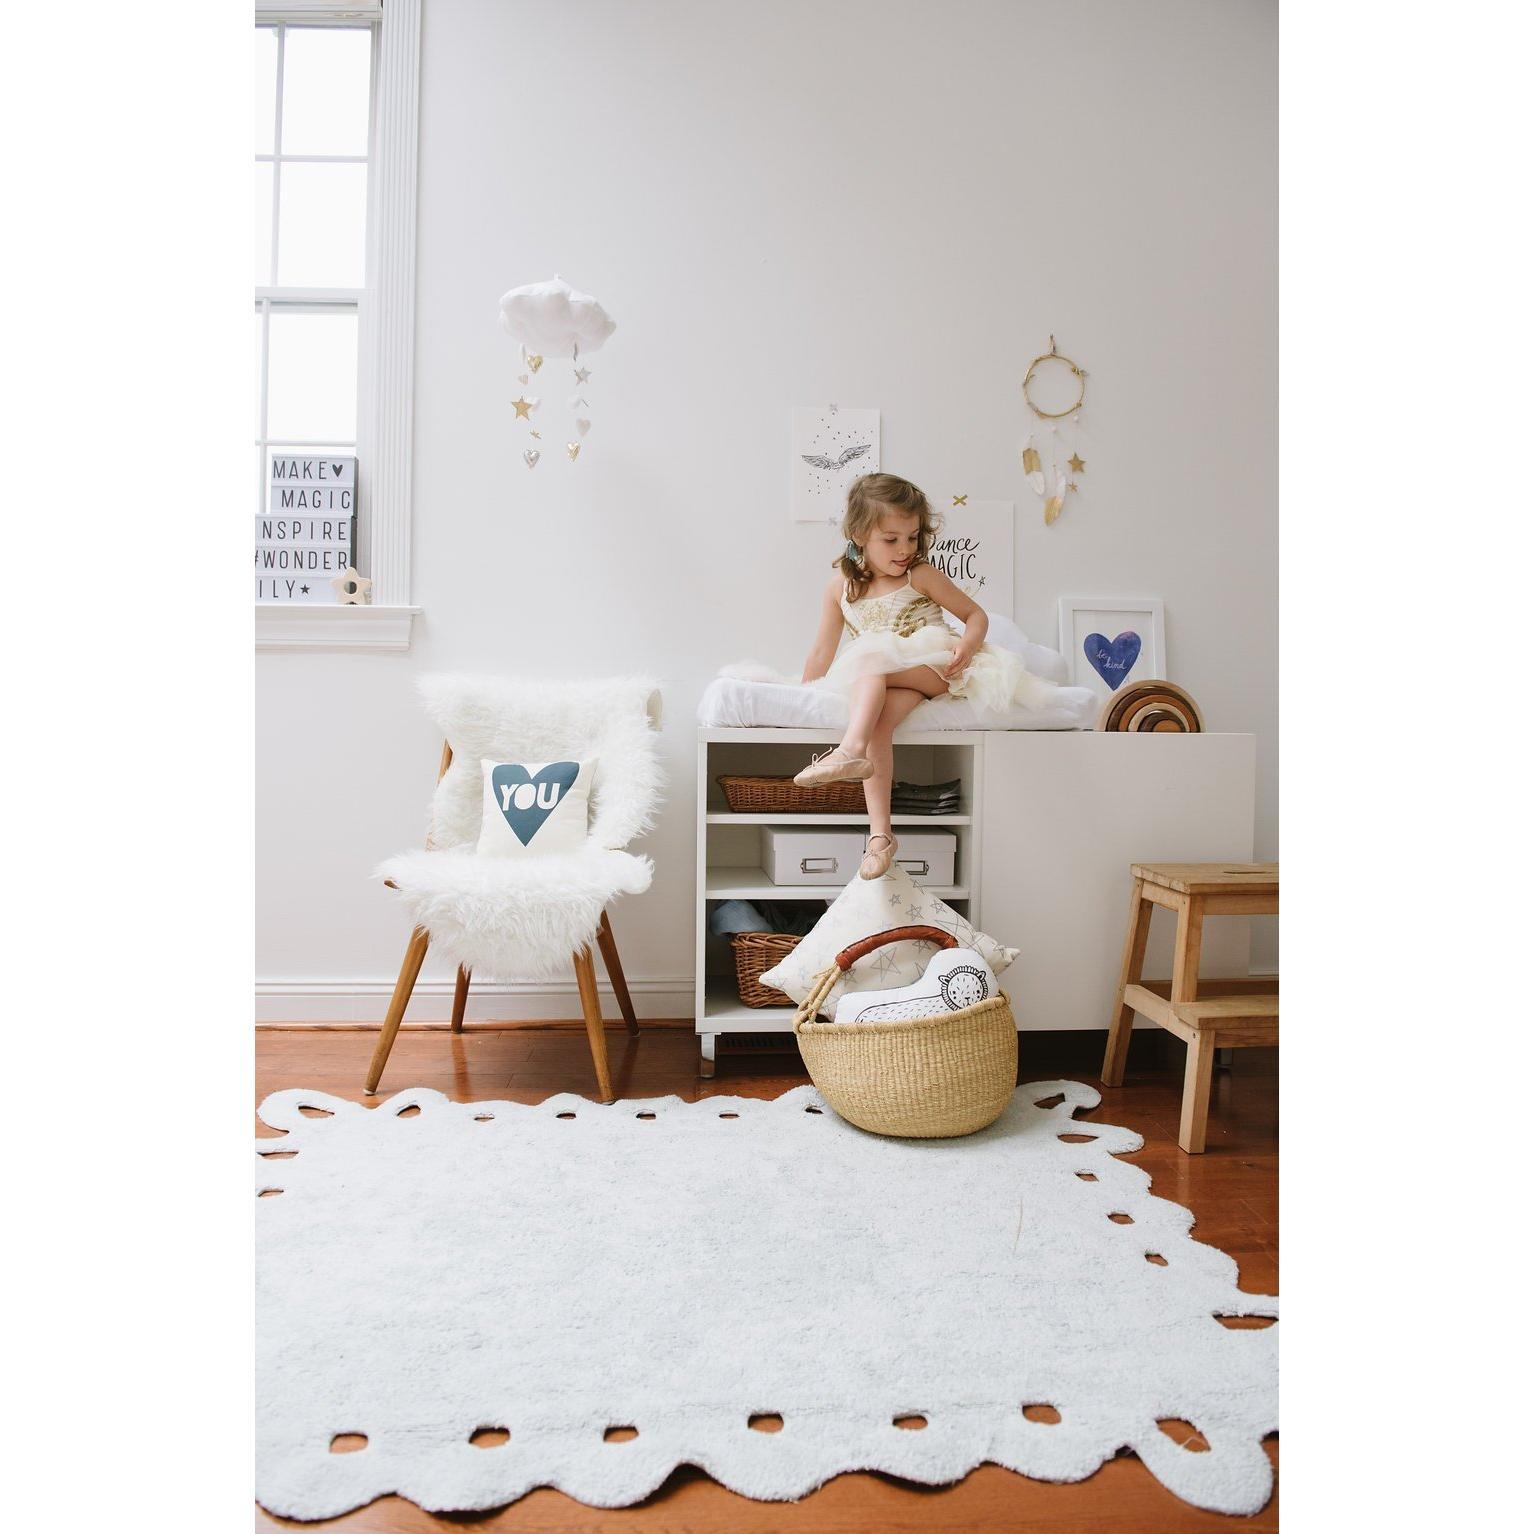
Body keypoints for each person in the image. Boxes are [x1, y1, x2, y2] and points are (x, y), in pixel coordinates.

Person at [796, 472, 1061, 878]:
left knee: (869, 660)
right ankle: (880, 837)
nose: (905, 549)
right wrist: (801, 699)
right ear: (858, 534)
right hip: (888, 677)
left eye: (913, 537)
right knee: (880, 722)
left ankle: (849, 751)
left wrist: (967, 646)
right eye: (891, 539)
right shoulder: (840, 589)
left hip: (935, 667)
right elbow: (821, 651)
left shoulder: (918, 575)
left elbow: (975, 615)